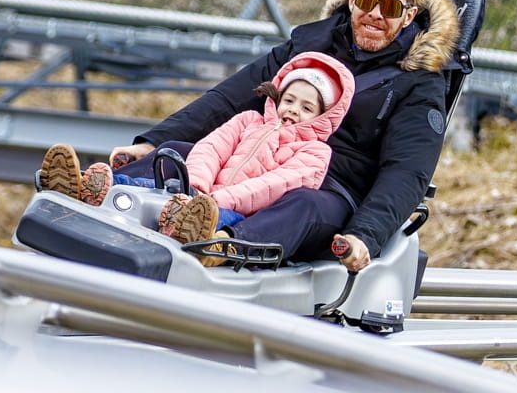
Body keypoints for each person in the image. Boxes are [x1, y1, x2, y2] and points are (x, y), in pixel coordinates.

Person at [104, 0, 461, 273]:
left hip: (330, 188)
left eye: (391, 8)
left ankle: (220, 244)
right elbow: (229, 98)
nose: (376, 14)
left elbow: (406, 171)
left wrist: (365, 234)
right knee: (178, 153)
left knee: (302, 204)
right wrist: (152, 142)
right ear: (353, 0)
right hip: (264, 159)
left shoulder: (419, 84)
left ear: (408, 16)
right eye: (369, 1)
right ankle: (101, 194)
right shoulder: (309, 46)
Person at [40, 52, 355, 266]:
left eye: (306, 108)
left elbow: (273, 185)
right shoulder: (249, 120)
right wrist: (196, 185)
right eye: (289, 100)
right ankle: (87, 188)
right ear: (278, 97)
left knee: (212, 218)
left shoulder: (315, 152)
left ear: (323, 116)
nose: (293, 110)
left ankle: (192, 231)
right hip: (195, 193)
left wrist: (215, 200)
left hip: (235, 210)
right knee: (149, 183)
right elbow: (211, 148)